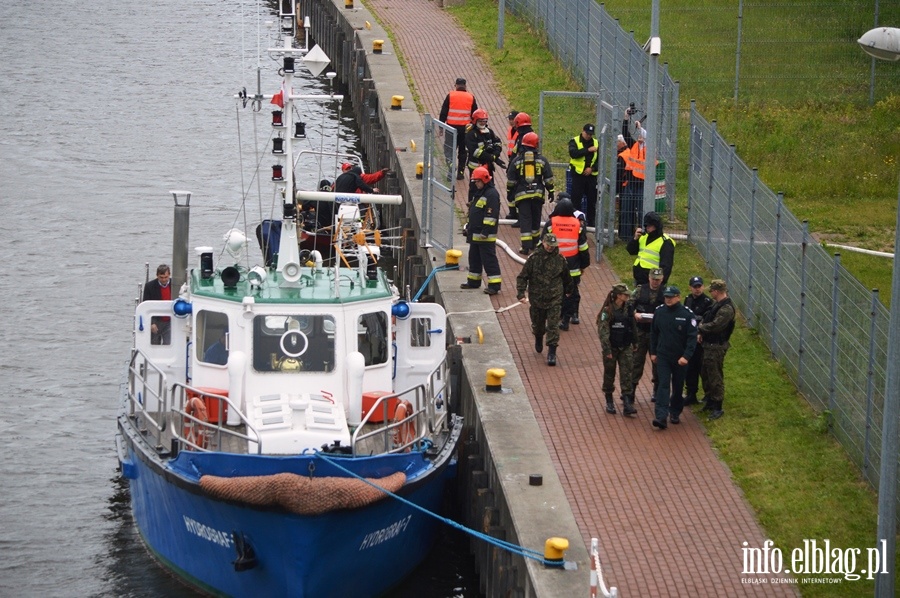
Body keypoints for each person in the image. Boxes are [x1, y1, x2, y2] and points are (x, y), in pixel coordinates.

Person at [516, 234, 573, 366]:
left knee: (553, 326)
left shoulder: (560, 260)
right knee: (538, 324)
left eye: (552, 246)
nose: (550, 248)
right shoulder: (534, 259)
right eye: (548, 245)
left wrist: (569, 290)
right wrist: (520, 293)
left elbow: (566, 277)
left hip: (554, 298)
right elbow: (523, 277)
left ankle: (552, 352)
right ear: (543, 243)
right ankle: (538, 337)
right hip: (537, 299)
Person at [649, 285, 698, 430]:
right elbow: (654, 333)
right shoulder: (659, 312)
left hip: (680, 358)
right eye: (666, 297)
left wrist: (686, 356)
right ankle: (661, 416)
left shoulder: (687, 315)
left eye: (671, 297)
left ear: (678, 297)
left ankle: (675, 411)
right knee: (663, 384)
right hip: (663, 356)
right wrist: (653, 352)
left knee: (677, 386)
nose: (668, 299)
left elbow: (692, 338)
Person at [544, 194, 589, 330]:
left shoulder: (551, 223)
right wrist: (584, 265)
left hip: (554, 264)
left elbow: (542, 243)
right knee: (570, 293)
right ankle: (566, 319)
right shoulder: (577, 225)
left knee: (553, 292)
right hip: (572, 265)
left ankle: (554, 317)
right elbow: (583, 247)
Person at [506, 132, 554, 255]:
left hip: (522, 196)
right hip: (537, 195)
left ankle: (525, 247)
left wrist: (510, 192)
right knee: (536, 219)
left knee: (525, 220)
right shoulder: (542, 160)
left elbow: (511, 179)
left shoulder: (517, 161)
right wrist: (551, 191)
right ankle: (535, 243)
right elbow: (548, 178)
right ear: (536, 145)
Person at [460, 166, 502, 295]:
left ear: (484, 180)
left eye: (477, 181)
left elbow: (491, 216)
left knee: (489, 260)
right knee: (474, 258)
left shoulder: (491, 194)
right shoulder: (481, 192)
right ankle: (473, 281)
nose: (476, 184)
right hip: (476, 234)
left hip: (484, 236)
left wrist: (485, 231)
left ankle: (494, 286)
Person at [698, 279, 736, 420]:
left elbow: (715, 326)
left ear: (717, 291)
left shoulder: (726, 309)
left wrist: (700, 328)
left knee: (715, 376)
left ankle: (717, 406)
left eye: (712, 290)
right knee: (705, 372)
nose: (710, 293)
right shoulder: (717, 305)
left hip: (716, 346)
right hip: (708, 345)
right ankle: (710, 399)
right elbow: (707, 318)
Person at [597, 283, 637, 416]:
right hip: (612, 348)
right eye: (625, 294)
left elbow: (633, 326)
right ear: (618, 296)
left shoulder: (629, 308)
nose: (627, 297)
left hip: (625, 346)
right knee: (609, 374)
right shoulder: (607, 311)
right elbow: (603, 332)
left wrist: (634, 342)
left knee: (627, 373)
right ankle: (609, 399)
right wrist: (607, 350)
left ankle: (627, 403)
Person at [630, 268, 665, 401]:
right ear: (649, 278)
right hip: (640, 332)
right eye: (653, 279)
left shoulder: (665, 293)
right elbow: (628, 306)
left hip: (657, 334)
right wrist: (635, 314)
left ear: (662, 279)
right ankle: (631, 391)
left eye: (658, 279)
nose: (655, 282)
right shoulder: (640, 290)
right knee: (636, 362)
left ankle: (657, 390)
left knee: (658, 363)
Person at [681, 276, 714, 405]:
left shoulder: (707, 302)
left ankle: (708, 394)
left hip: (702, 340)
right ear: (690, 288)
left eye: (699, 286)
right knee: (691, 368)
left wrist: (700, 332)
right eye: (695, 287)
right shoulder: (687, 300)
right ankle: (691, 393)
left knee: (703, 368)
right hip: (690, 339)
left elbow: (708, 321)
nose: (697, 289)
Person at [439, 77, 478, 180]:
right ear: (465, 86)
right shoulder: (471, 97)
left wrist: (441, 127)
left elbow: (444, 112)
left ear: (456, 85)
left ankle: (451, 170)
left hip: (451, 128)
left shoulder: (450, 95)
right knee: (463, 151)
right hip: (466, 129)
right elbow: (475, 114)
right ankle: (460, 172)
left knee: (449, 149)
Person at [626, 210, 675, 286]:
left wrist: (659, 283)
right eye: (645, 226)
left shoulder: (666, 242)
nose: (647, 228)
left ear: (656, 226)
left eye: (649, 226)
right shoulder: (643, 237)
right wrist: (635, 239)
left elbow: (666, 266)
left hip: (653, 282)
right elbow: (631, 251)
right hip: (639, 280)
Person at [620, 122, 648, 239]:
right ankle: (626, 236)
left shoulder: (649, 149)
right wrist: (626, 119)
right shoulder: (634, 145)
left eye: (642, 135)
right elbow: (625, 134)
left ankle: (644, 235)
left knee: (642, 212)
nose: (640, 137)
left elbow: (647, 137)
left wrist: (640, 128)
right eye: (639, 135)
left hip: (643, 186)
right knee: (627, 209)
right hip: (631, 184)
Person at [568, 123, 599, 228]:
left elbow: (600, 160)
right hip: (578, 175)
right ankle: (576, 222)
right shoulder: (575, 141)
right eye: (587, 133)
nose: (589, 136)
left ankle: (591, 223)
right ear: (583, 131)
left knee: (592, 200)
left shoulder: (596, 143)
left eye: (591, 134)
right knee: (576, 199)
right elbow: (573, 153)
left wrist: (592, 169)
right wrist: (587, 150)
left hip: (591, 176)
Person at [465, 109, 504, 186]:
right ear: (475, 120)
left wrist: (495, 154)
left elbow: (497, 142)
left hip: (488, 166)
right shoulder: (471, 134)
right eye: (480, 121)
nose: (483, 123)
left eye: (485, 121)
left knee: (490, 186)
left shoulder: (489, 132)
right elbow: (475, 151)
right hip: (475, 167)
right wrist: (490, 157)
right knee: (475, 189)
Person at [142, 264, 172, 345]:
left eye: (166, 277)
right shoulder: (149, 286)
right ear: (157, 276)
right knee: (154, 345)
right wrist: (151, 323)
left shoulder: (175, 285)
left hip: (170, 321)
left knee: (169, 344)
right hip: (156, 321)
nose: (164, 280)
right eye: (161, 277)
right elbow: (146, 305)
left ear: (169, 275)